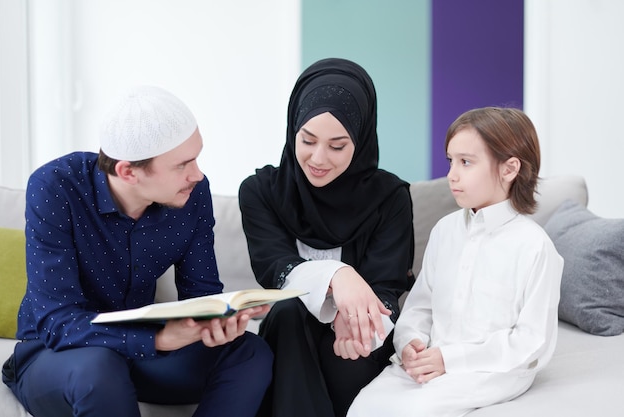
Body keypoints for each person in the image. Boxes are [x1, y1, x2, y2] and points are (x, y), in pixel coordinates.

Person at [1, 85, 273, 417]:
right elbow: (57, 321)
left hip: (141, 358)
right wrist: (156, 341)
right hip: (59, 355)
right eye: (182, 165)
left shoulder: (192, 194)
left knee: (249, 353)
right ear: (128, 171)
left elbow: (202, 294)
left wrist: (217, 321)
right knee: (99, 369)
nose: (197, 174)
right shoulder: (55, 187)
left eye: (197, 157)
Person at [347, 107, 564, 417]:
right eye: (451, 161)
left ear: (509, 169)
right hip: (430, 362)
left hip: (493, 369)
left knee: (416, 410)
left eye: (466, 162)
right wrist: (410, 343)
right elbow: (421, 306)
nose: (452, 174)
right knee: (363, 406)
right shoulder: (445, 230)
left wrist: (451, 360)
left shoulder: (534, 246)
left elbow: (532, 342)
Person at [238, 57, 415, 417]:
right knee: (288, 312)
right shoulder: (261, 192)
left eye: (337, 146)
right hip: (288, 333)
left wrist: (360, 324)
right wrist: (339, 275)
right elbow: (277, 270)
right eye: (307, 140)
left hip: (362, 335)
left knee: (347, 356)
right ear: (293, 130)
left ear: (361, 140)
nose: (318, 158)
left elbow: (387, 286)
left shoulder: (390, 197)